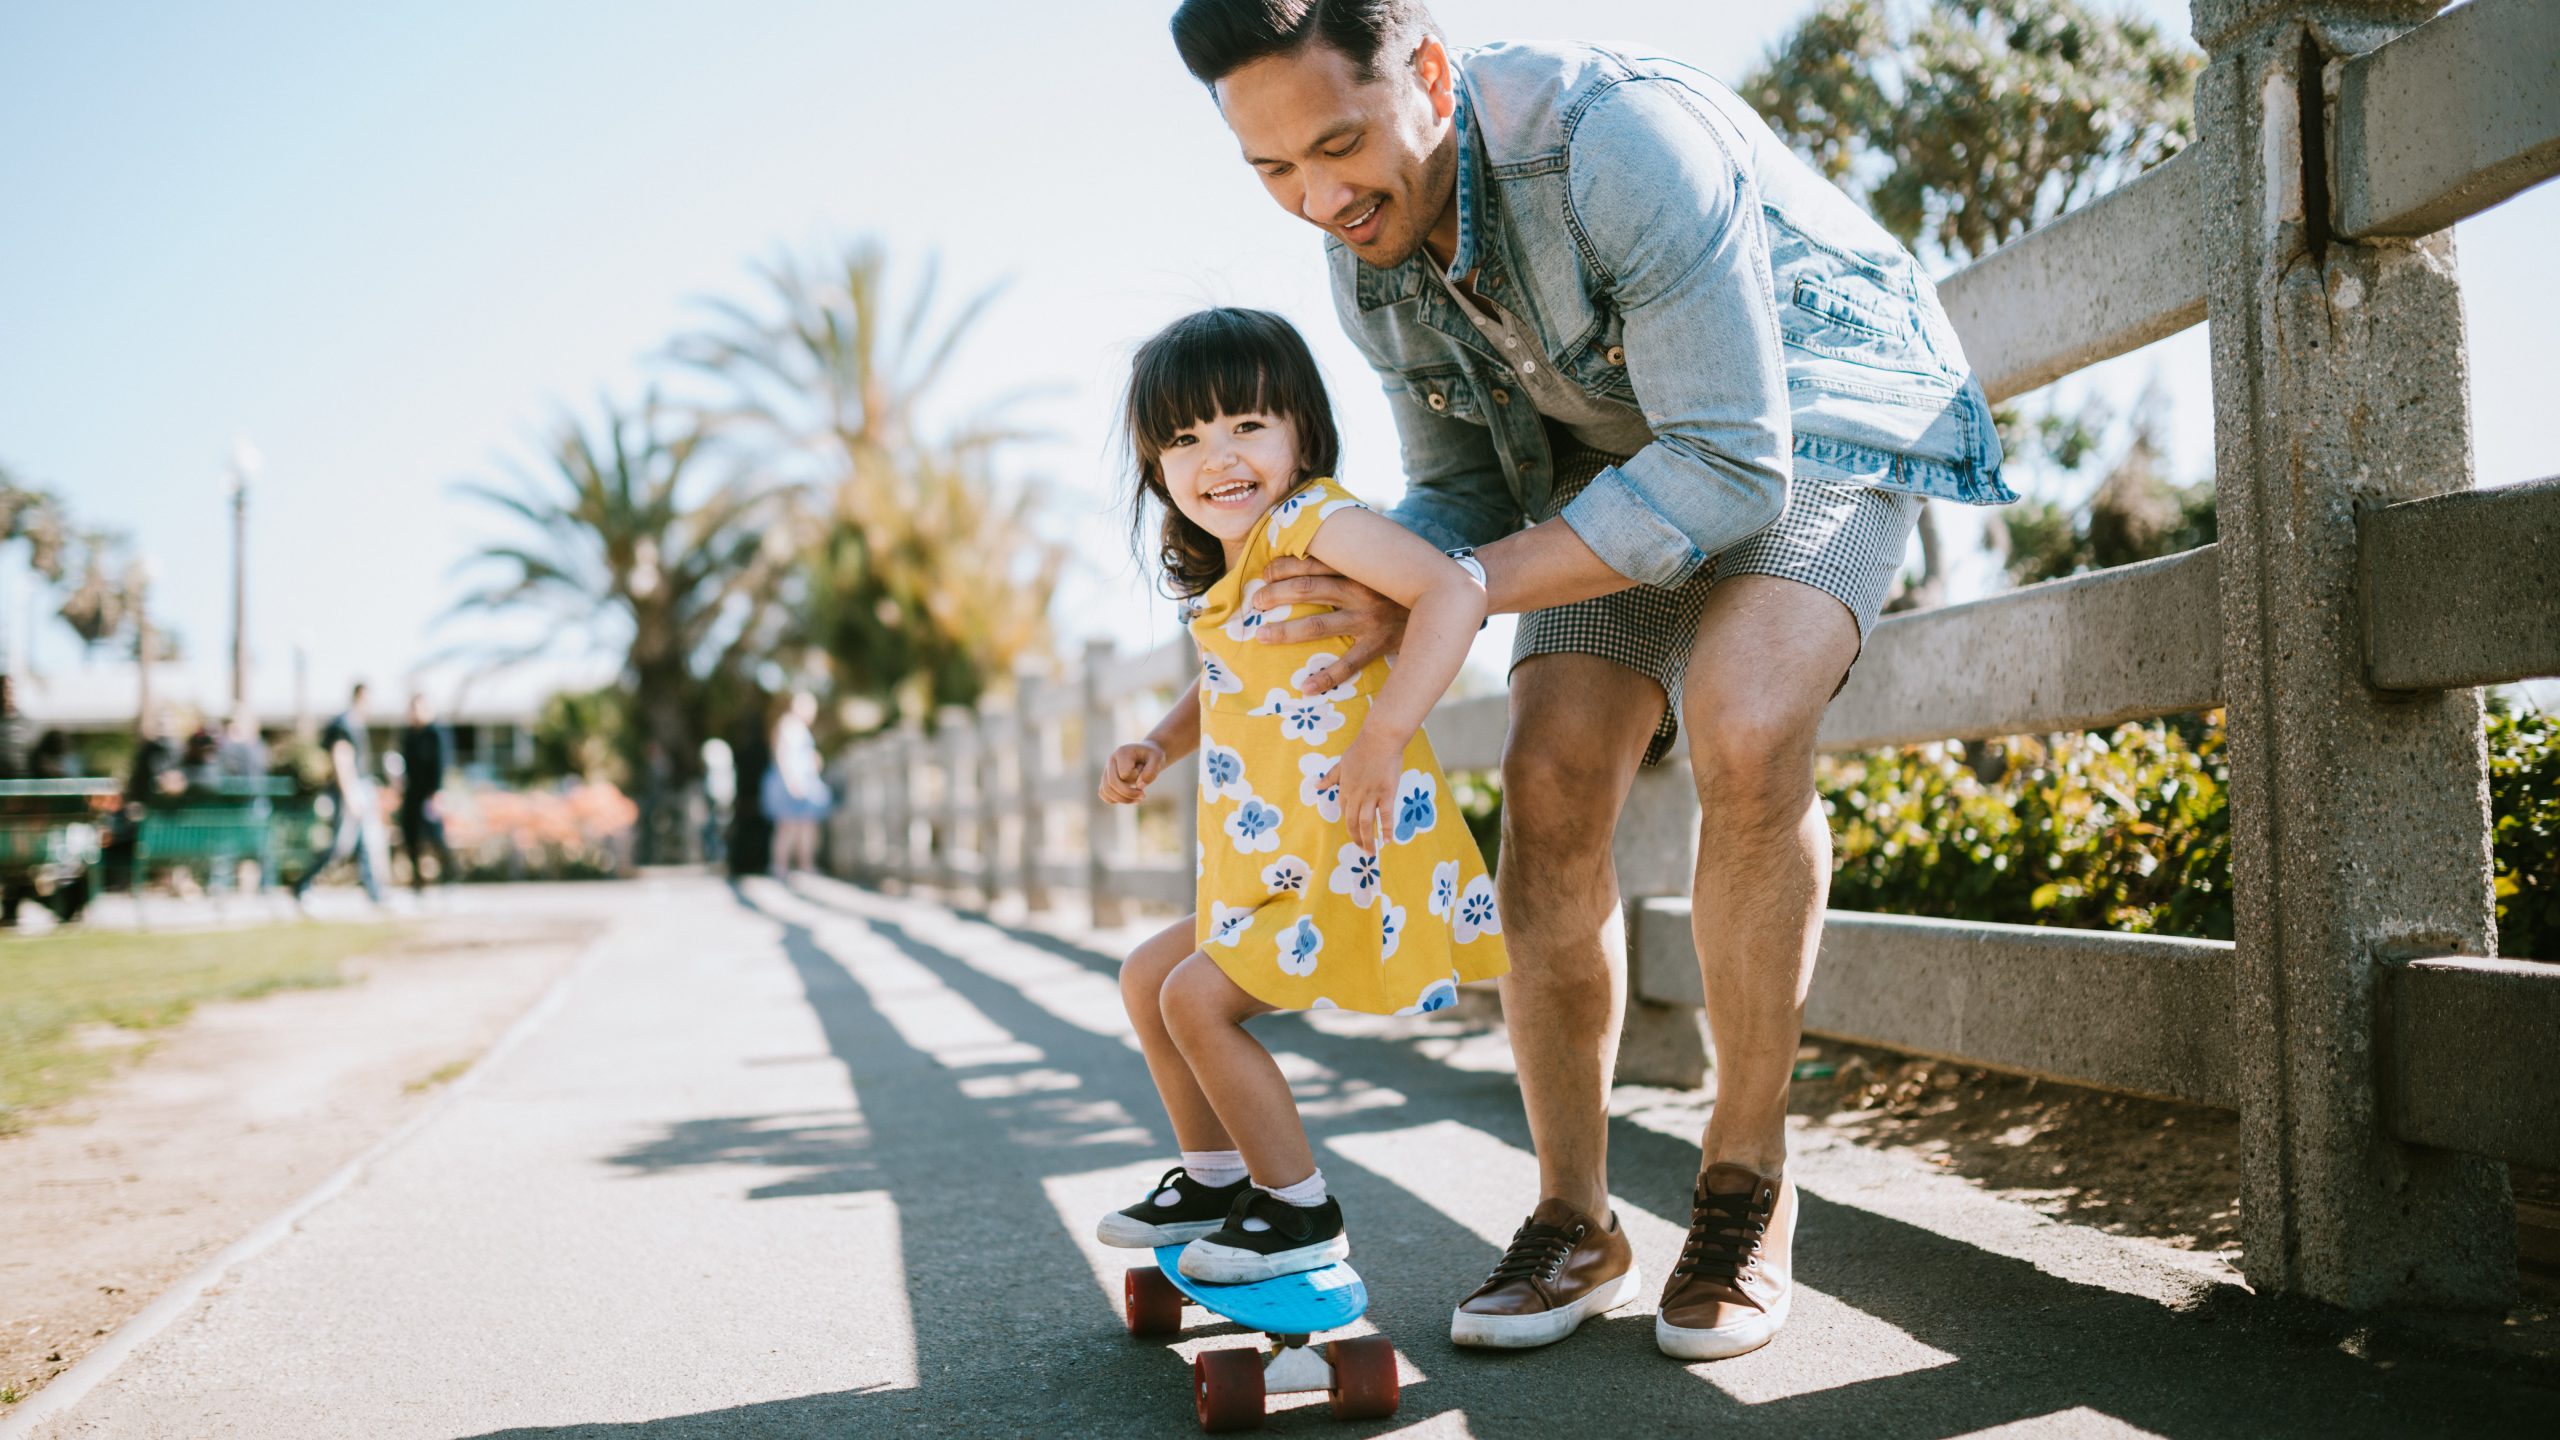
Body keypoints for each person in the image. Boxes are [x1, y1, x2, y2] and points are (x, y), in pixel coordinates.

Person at [1168, 0, 2009, 1358]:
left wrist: (1462, 589)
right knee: (1549, 782)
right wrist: (1385, 590)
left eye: (1339, 144)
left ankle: (1745, 1184)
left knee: (1744, 721)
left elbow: (1732, 461)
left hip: (1812, 421)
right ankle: (1577, 1217)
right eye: (1273, 173)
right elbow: (1454, 488)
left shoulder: (1613, 141)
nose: (1319, 198)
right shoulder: (1365, 250)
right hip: (1602, 473)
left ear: (1428, 72)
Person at [1091, 307, 1509, 1283]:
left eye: (1246, 424)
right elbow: (1231, 676)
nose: (1218, 456)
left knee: (1198, 1001)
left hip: (1345, 846)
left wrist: (1384, 735)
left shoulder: (1313, 520)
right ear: (1156, 468)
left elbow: (1451, 591)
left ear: (1301, 433)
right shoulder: (1239, 565)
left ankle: (1296, 1210)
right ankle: (1214, 1178)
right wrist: (1157, 741)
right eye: (1184, 438)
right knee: (1149, 978)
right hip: (1274, 859)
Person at [292, 681, 385, 907]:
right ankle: (302, 885)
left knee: (364, 845)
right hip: (350, 790)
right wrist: (351, 795)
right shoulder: (345, 724)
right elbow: (341, 760)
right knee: (339, 846)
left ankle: (375, 894)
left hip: (359, 788)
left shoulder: (356, 724)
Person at [760, 692, 831, 876]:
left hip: (801, 781)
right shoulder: (790, 725)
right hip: (793, 782)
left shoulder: (795, 726)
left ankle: (802, 865)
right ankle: (781, 865)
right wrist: (792, 781)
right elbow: (784, 755)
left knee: (804, 824)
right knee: (789, 825)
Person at [397, 693, 456, 894]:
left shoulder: (435, 733)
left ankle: (448, 878)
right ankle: (417, 881)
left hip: (431, 794)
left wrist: (437, 792)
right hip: (412, 793)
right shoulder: (409, 735)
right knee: (410, 836)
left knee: (436, 837)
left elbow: (441, 764)